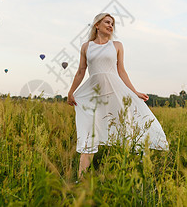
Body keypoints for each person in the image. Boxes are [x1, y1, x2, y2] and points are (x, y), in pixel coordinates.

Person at [67, 13, 169, 178]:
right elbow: (81, 71)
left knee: (125, 129)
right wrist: (71, 92)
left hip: (115, 92)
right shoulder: (87, 46)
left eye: (112, 23)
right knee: (88, 136)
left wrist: (134, 92)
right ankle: (80, 181)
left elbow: (121, 71)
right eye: (107, 22)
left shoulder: (117, 45)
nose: (110, 25)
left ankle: (133, 175)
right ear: (97, 25)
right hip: (93, 95)